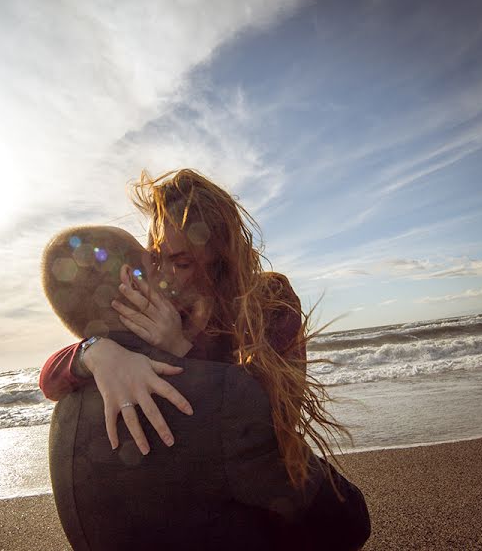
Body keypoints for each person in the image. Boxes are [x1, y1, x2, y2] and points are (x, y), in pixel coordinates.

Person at [40, 169, 371, 549]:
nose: (163, 275)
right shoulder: (166, 307)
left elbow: (276, 417)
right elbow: (50, 378)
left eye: (181, 263)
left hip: (264, 479)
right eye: (157, 257)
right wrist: (94, 352)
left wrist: (180, 349)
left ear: (220, 256)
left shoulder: (270, 303)